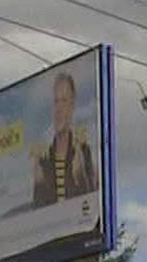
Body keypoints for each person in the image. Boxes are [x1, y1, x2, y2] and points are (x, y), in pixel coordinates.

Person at [32, 72, 99, 208]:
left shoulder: (82, 152)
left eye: (64, 101)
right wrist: (39, 185)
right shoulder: (44, 159)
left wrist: (80, 176)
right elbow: (38, 217)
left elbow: (92, 210)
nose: (59, 109)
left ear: (72, 106)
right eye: (56, 101)